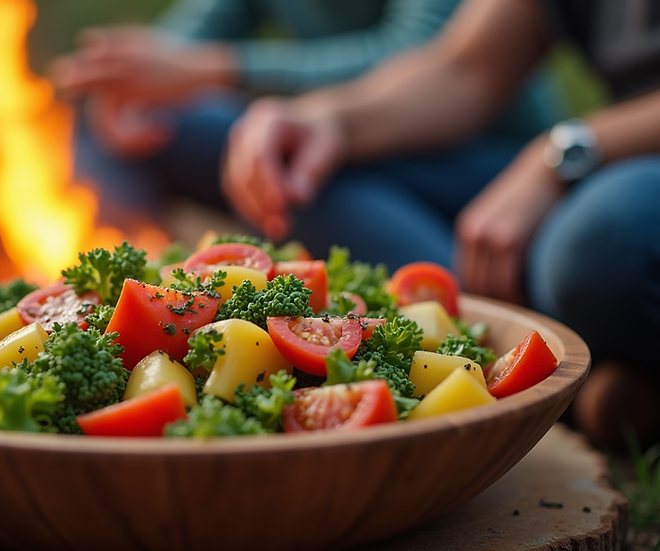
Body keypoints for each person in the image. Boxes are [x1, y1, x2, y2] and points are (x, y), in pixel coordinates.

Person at [221, 0, 660, 448]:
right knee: (300, 178)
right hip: (597, 174)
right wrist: (329, 119)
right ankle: (578, 358)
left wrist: (559, 158)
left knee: (598, 243)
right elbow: (465, 67)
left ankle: (574, 356)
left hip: (617, 182)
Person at [49, 0, 560, 229]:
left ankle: (474, 306)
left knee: (292, 176)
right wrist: (130, 84)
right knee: (112, 132)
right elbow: (192, 34)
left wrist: (217, 68)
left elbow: (424, 56)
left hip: (475, 161)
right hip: (332, 138)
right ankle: (124, 309)